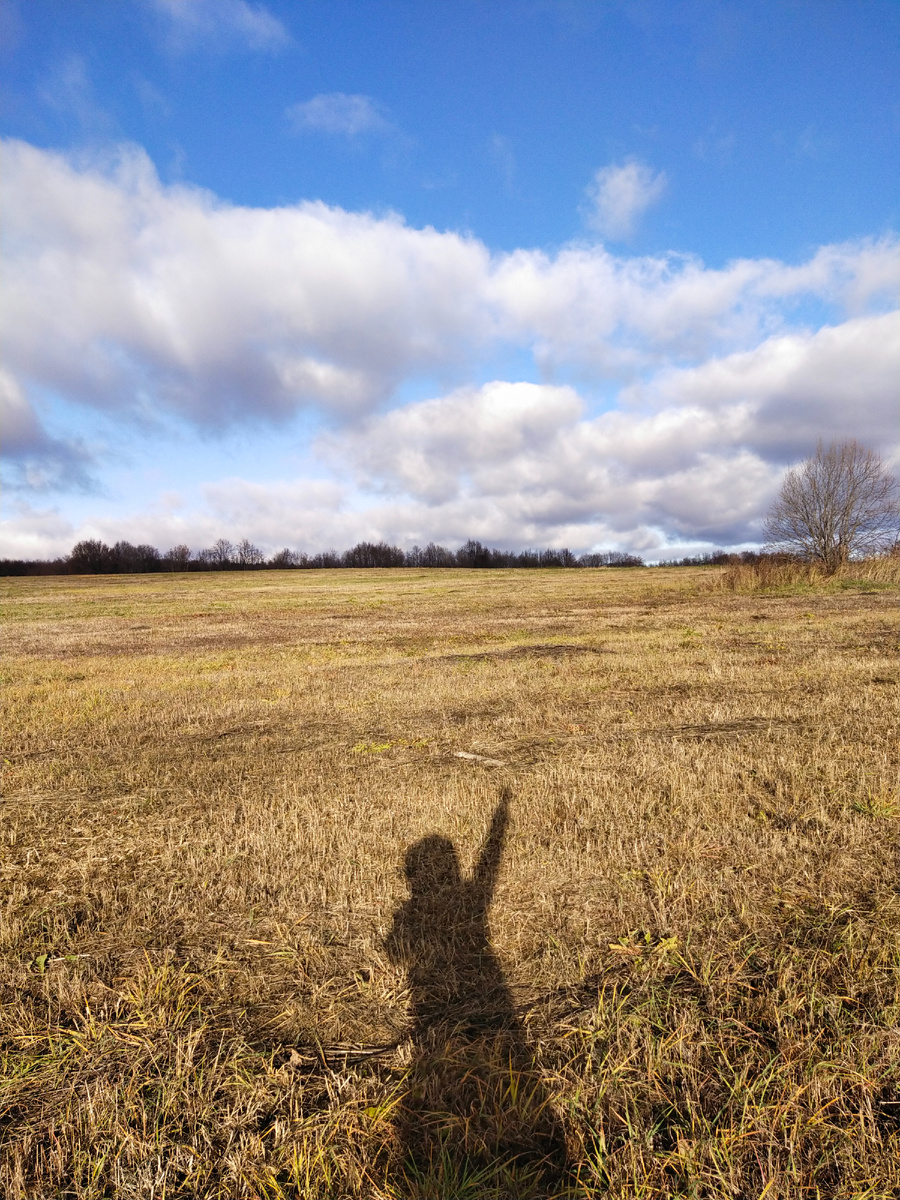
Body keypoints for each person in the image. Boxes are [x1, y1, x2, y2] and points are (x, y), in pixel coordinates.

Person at [385, 788, 570, 1192]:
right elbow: (487, 869)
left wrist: (500, 815)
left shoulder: (409, 914)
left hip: (433, 1016)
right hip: (492, 997)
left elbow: (393, 953)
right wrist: (500, 816)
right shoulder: (467, 902)